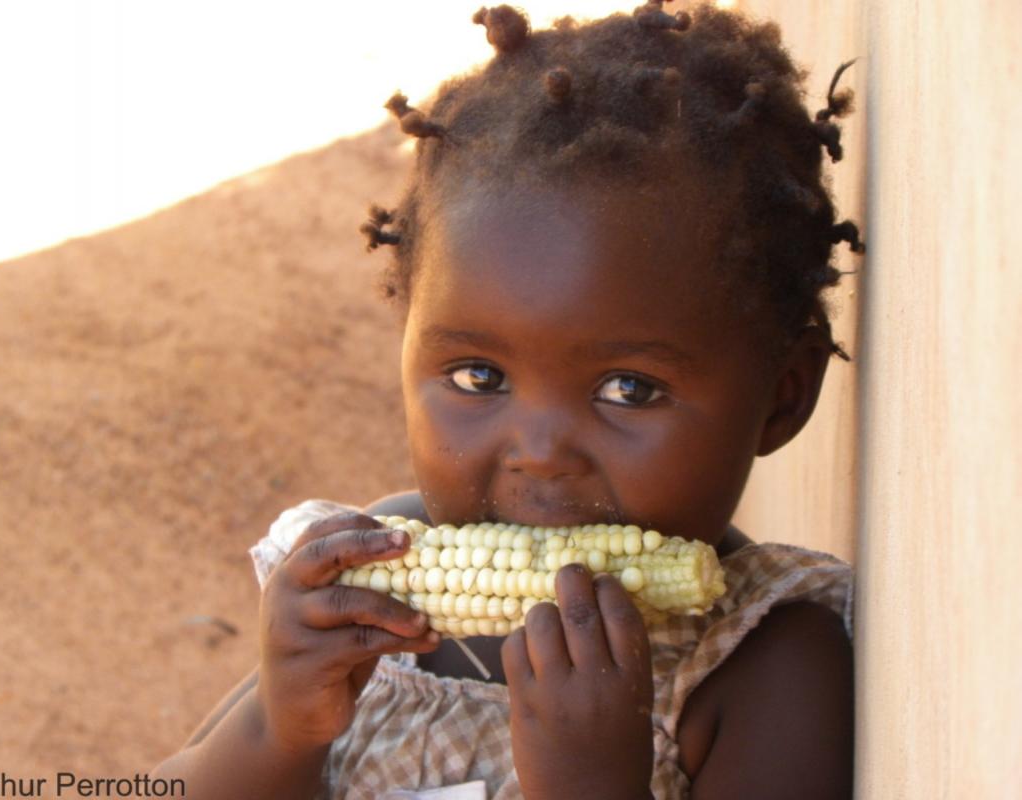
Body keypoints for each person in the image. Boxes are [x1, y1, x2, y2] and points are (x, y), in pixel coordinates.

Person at [152, 3, 862, 797]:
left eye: (627, 389)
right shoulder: (373, 592)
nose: (539, 450)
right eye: (477, 378)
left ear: (781, 398)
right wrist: (277, 729)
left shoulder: (763, 670)